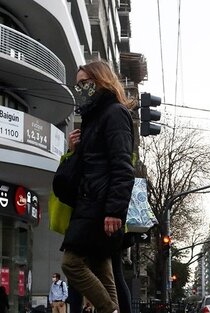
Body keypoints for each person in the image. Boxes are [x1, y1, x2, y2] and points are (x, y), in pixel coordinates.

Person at [60, 60, 135, 313]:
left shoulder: (114, 113)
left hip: (99, 205)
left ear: (101, 81)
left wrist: (114, 210)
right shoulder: (93, 118)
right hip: (90, 203)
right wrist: (74, 150)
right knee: (102, 269)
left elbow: (123, 166)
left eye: (85, 83)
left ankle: (109, 310)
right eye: (77, 85)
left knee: (72, 264)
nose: (80, 89)